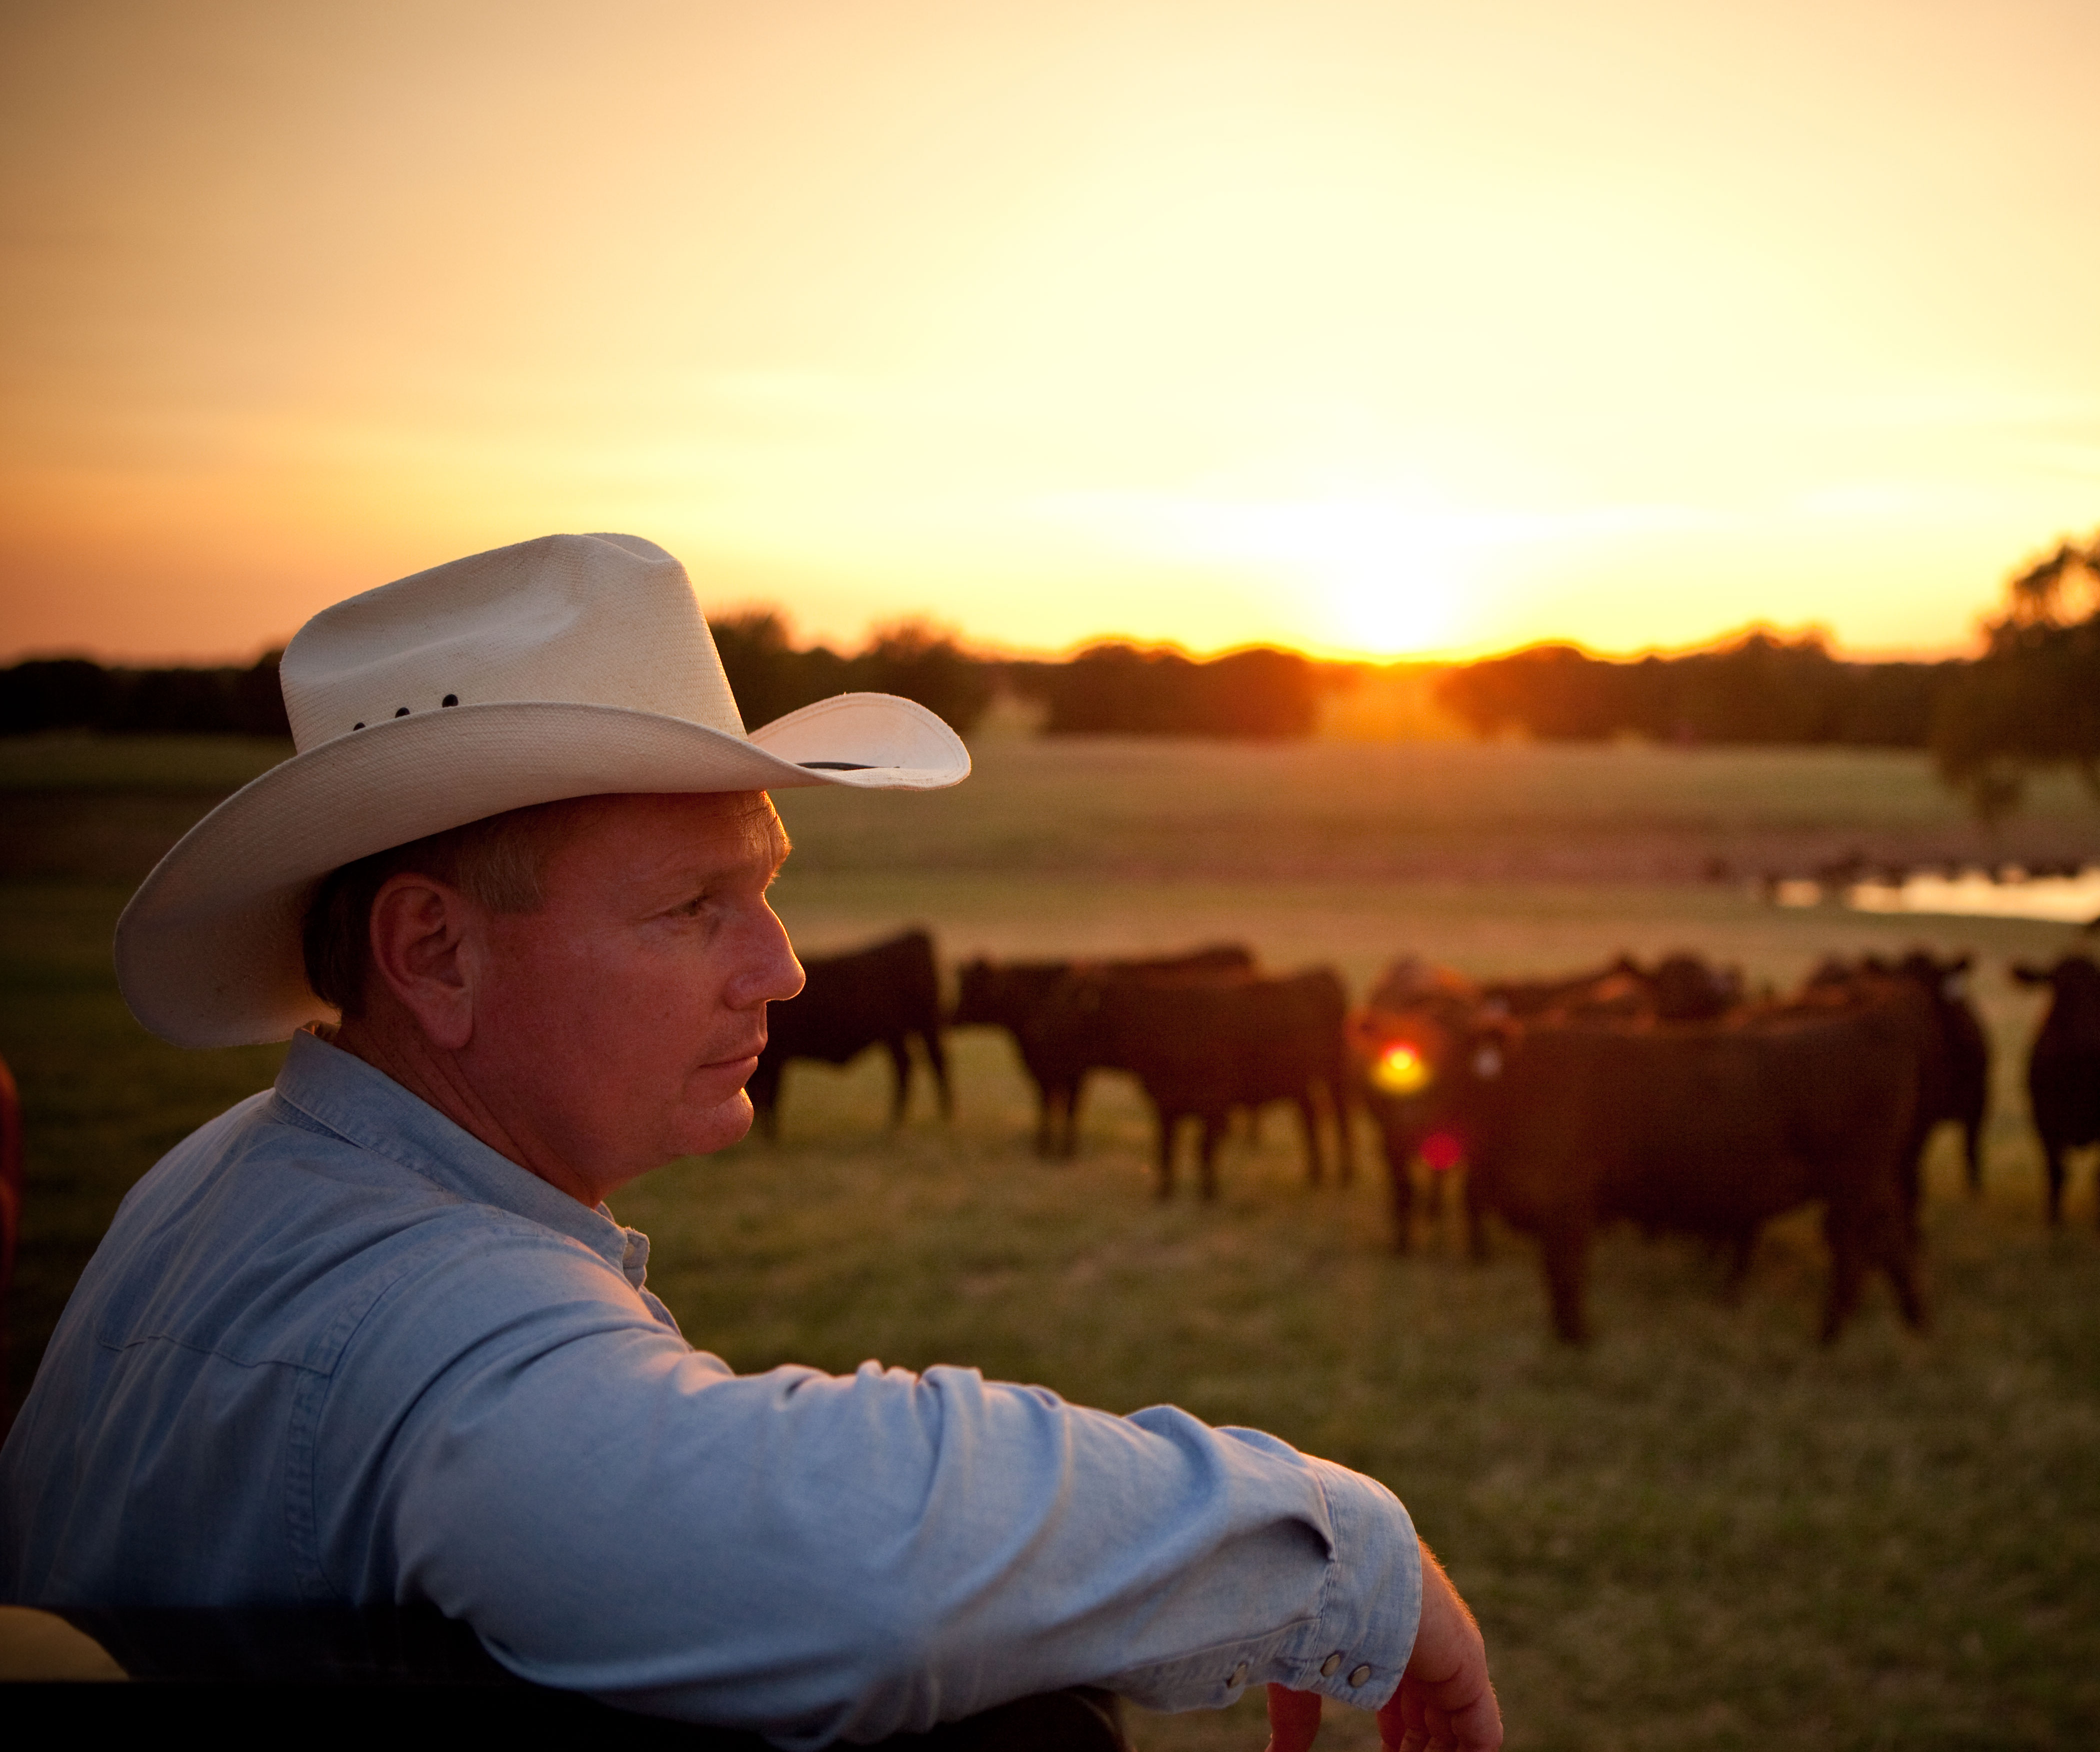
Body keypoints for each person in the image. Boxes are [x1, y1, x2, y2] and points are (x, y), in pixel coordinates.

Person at [0, 533, 1500, 1750]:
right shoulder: (442, 1318)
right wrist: (1344, 1543)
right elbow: (850, 1558)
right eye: (691, 906)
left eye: (766, 889)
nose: (779, 970)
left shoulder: (208, 1181)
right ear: (434, 956)